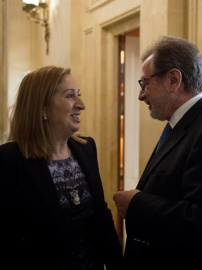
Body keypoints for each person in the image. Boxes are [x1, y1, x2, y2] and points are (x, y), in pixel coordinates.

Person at [113, 36, 202, 270]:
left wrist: (137, 204)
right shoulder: (190, 124)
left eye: (144, 83)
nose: (141, 95)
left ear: (174, 80)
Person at [0, 65, 123, 270]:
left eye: (79, 95)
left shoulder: (86, 148)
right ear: (43, 109)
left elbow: (101, 216)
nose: (81, 104)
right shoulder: (9, 160)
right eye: (69, 96)